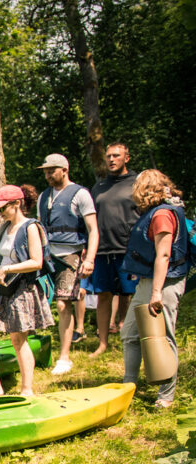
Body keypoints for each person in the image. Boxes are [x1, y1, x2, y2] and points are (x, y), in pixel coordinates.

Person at [0, 184, 55, 397]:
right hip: (0, 287)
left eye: (3, 208)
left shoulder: (30, 227)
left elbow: (36, 261)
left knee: (18, 340)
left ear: (17, 204)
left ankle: (27, 390)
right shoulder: (4, 227)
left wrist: (9, 268)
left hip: (21, 287)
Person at [121, 169, 189, 408]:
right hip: (148, 281)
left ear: (145, 188)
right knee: (129, 333)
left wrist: (157, 293)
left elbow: (164, 254)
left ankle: (165, 396)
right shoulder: (153, 212)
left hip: (165, 282)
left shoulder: (162, 215)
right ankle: (128, 386)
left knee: (164, 336)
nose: (133, 192)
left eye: (136, 186)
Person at [36, 153, 99, 375]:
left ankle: (65, 357)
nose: (47, 175)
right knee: (40, 304)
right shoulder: (43, 196)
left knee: (64, 304)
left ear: (64, 169)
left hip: (70, 254)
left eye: (51, 170)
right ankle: (40, 351)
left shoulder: (80, 194)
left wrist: (89, 258)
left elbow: (93, 229)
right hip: (46, 257)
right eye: (45, 171)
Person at [88, 143, 140, 357]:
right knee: (103, 295)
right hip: (102, 250)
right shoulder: (98, 187)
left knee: (130, 295)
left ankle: (129, 337)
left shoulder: (137, 183)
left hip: (129, 249)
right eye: (108, 156)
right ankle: (103, 343)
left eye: (116, 156)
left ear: (126, 158)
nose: (111, 159)